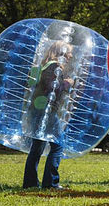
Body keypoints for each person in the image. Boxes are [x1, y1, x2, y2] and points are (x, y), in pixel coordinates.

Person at [22, 41, 75, 189]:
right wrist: (67, 84)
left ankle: (30, 183)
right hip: (47, 111)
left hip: (37, 109)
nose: (70, 56)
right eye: (69, 52)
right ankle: (51, 183)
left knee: (37, 147)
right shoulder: (54, 67)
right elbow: (52, 89)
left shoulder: (43, 65)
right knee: (57, 146)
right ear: (62, 53)